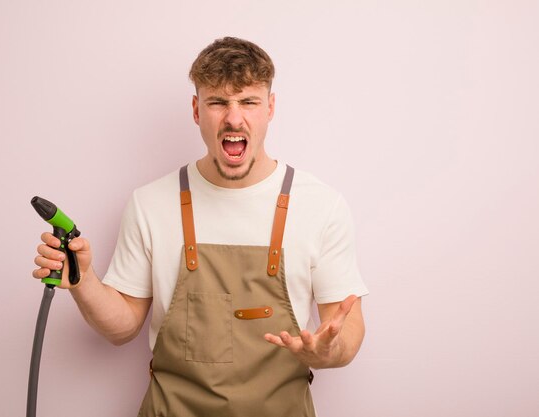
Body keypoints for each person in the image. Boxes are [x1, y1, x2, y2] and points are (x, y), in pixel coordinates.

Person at [33, 37, 368, 416]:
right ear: (196, 109)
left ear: (270, 108)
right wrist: (84, 280)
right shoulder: (150, 203)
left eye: (248, 101)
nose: (234, 117)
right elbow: (122, 327)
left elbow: (348, 326)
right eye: (218, 102)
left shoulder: (321, 205)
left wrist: (328, 351)